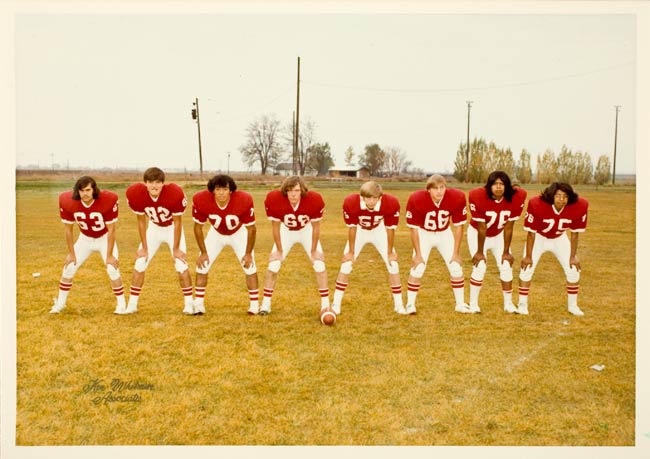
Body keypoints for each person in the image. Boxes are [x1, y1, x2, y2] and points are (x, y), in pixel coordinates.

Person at [50, 176, 127, 314]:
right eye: (81, 191)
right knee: (69, 267)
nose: (84, 194)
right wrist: (71, 253)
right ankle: (60, 303)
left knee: (112, 268)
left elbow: (112, 230)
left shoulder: (107, 200)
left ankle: (121, 305)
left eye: (87, 190)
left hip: (104, 238)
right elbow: (68, 230)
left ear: (94, 190)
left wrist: (109, 255)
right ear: (77, 191)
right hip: (85, 239)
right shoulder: (68, 202)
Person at [124, 167, 193, 314]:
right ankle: (132, 305)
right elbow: (141, 221)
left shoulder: (174, 193)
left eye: (157, 182)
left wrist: (176, 249)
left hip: (172, 228)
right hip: (154, 229)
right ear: (145, 183)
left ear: (163, 183)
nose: (154, 186)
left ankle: (189, 304)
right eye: (150, 182)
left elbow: (178, 222)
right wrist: (144, 247)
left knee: (180, 264)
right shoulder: (136, 194)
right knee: (140, 263)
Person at [331, 181, 405, 315]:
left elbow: (390, 229)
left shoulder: (391, 203)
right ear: (362, 197)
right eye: (368, 198)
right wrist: (351, 252)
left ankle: (399, 305)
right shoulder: (351, 202)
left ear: (380, 197)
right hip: (360, 230)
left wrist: (390, 252)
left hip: (379, 230)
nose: (371, 201)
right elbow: (352, 227)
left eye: (375, 198)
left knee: (393, 264)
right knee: (346, 264)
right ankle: (336, 304)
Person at [516, 182, 589, 316]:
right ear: (551, 196)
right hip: (539, 237)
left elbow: (574, 234)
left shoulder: (579, 206)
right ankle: (522, 305)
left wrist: (573, 256)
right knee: (526, 269)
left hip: (559, 238)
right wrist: (528, 256)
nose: (561, 199)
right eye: (558, 196)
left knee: (573, 269)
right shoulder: (537, 204)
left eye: (565, 196)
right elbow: (531, 233)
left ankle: (573, 306)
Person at [261, 175, 329, 315]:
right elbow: (275, 226)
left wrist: (314, 250)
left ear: (302, 191)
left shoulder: (314, 200)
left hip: (306, 230)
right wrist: (279, 250)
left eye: (296, 190)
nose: (293, 194)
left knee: (319, 264)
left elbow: (316, 227)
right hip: (286, 231)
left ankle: (325, 305)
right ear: (285, 191)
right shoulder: (274, 199)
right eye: (290, 190)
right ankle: (265, 304)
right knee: (273, 265)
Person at [191, 174, 259, 315]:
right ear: (213, 191)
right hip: (216, 233)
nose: (221, 193)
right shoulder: (201, 199)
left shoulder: (243, 200)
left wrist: (248, 254)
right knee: (202, 265)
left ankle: (254, 305)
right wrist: (203, 252)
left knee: (249, 267)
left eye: (225, 189)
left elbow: (252, 229)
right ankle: (199, 304)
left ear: (231, 190)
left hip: (238, 232)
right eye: (218, 189)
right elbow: (197, 227)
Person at [404, 174, 469, 314]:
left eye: (442, 187)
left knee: (455, 266)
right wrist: (418, 254)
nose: (439, 191)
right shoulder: (416, 199)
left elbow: (459, 226)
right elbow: (413, 229)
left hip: (444, 233)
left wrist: (456, 253)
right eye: (435, 188)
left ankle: (460, 304)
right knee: (418, 267)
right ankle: (410, 304)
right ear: (428, 190)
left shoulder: (456, 197)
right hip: (424, 233)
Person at [467, 171, 527, 314]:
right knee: (480, 266)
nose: (498, 187)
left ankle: (508, 304)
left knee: (506, 265)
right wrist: (480, 252)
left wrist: (506, 251)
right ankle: (473, 304)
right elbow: (482, 228)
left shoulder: (516, 197)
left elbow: (509, 227)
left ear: (507, 186)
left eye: (502, 184)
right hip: (477, 233)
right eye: (495, 184)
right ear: (489, 185)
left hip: (499, 234)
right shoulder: (478, 196)